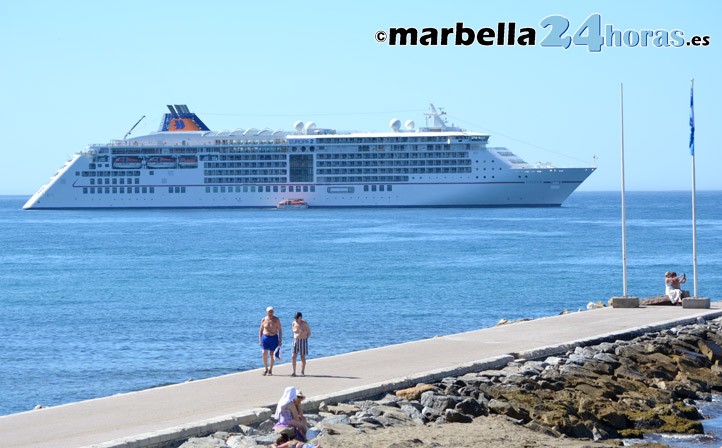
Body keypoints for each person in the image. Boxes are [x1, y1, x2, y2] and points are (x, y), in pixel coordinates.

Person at [260, 306, 282, 376]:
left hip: (273, 338)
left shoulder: (276, 320)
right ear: (266, 312)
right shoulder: (264, 319)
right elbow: (260, 330)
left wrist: (280, 340)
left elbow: (280, 331)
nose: (271, 313)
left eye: (272, 311)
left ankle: (270, 370)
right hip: (265, 337)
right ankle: (266, 368)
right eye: (269, 311)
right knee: (264, 353)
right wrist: (260, 340)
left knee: (272, 354)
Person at [292, 312, 311, 377]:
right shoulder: (294, 323)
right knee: (293, 356)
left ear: (301, 317)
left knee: (302, 356)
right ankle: (294, 372)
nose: (297, 320)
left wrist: (305, 338)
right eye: (296, 318)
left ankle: (302, 371)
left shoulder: (304, 324)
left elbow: (309, 332)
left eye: (298, 318)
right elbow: (294, 331)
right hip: (295, 341)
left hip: (303, 341)